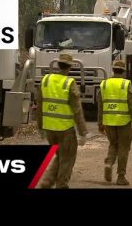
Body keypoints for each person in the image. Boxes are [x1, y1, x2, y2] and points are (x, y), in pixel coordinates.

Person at [37, 53, 88, 189]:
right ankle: (61, 186)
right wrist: (83, 132)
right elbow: (77, 110)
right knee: (67, 159)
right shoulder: (69, 83)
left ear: (58, 64)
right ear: (70, 67)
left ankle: (46, 183)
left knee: (60, 156)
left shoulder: (46, 80)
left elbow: (39, 106)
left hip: (49, 130)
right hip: (65, 131)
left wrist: (40, 127)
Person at [98, 60, 132, 185]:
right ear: (123, 71)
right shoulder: (126, 84)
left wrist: (100, 123)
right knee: (123, 148)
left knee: (113, 145)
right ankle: (121, 176)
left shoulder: (104, 84)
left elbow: (100, 105)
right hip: (123, 123)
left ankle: (109, 163)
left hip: (108, 122)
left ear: (113, 69)